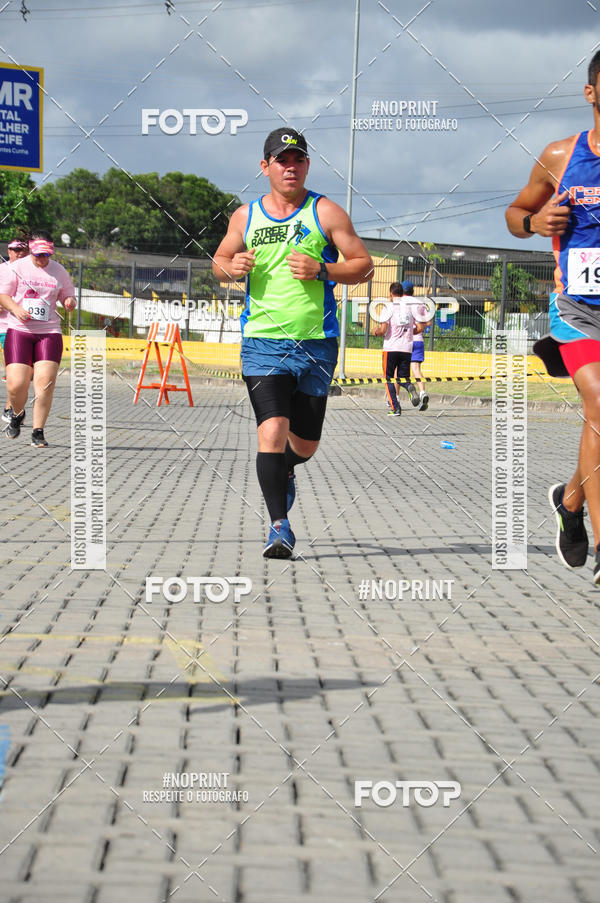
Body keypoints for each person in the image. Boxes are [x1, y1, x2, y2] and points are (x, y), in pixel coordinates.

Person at [212, 127, 373, 558]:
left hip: (317, 343)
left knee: (304, 445)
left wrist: (324, 270)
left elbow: (364, 266)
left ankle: (285, 468)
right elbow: (219, 263)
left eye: (297, 159)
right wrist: (232, 267)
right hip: (263, 341)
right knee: (272, 429)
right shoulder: (245, 217)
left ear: (307, 165)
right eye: (281, 160)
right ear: (265, 166)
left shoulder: (326, 212)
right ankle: (279, 527)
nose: (290, 167)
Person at [506, 49, 600, 584]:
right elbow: (515, 213)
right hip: (578, 308)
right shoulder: (561, 155)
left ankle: (570, 502)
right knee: (599, 402)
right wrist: (535, 222)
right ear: (591, 92)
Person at [0, 230, 76, 447]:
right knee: (16, 384)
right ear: (30, 250)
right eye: (38, 255)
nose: (43, 259)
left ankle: (38, 431)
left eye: (46, 255)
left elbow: (69, 295)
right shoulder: (16, 268)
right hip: (19, 331)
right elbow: (3, 295)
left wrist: (69, 302)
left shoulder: (59, 270)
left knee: (45, 384)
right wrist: (15, 309)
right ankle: (17, 413)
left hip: (49, 332)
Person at [372, 282, 420, 415]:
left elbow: (383, 330)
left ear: (391, 294)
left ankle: (395, 408)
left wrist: (376, 332)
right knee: (403, 378)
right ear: (402, 293)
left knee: (388, 378)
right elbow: (418, 328)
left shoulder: (388, 308)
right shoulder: (409, 309)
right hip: (407, 348)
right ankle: (409, 386)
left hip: (391, 348)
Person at [1, 237, 30, 423]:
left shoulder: (32, 271)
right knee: (14, 371)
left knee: (20, 372)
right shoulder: (2, 270)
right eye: (15, 250)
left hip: (22, 328)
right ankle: (10, 408)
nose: (19, 253)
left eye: (23, 250)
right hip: (4, 325)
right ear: (9, 251)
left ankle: (11, 408)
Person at [404, 279, 432, 411]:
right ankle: (422, 393)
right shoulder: (420, 304)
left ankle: (394, 399)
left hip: (404, 341)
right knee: (416, 369)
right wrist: (419, 325)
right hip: (418, 340)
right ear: (413, 291)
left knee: (399, 371)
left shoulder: (400, 303)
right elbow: (429, 322)